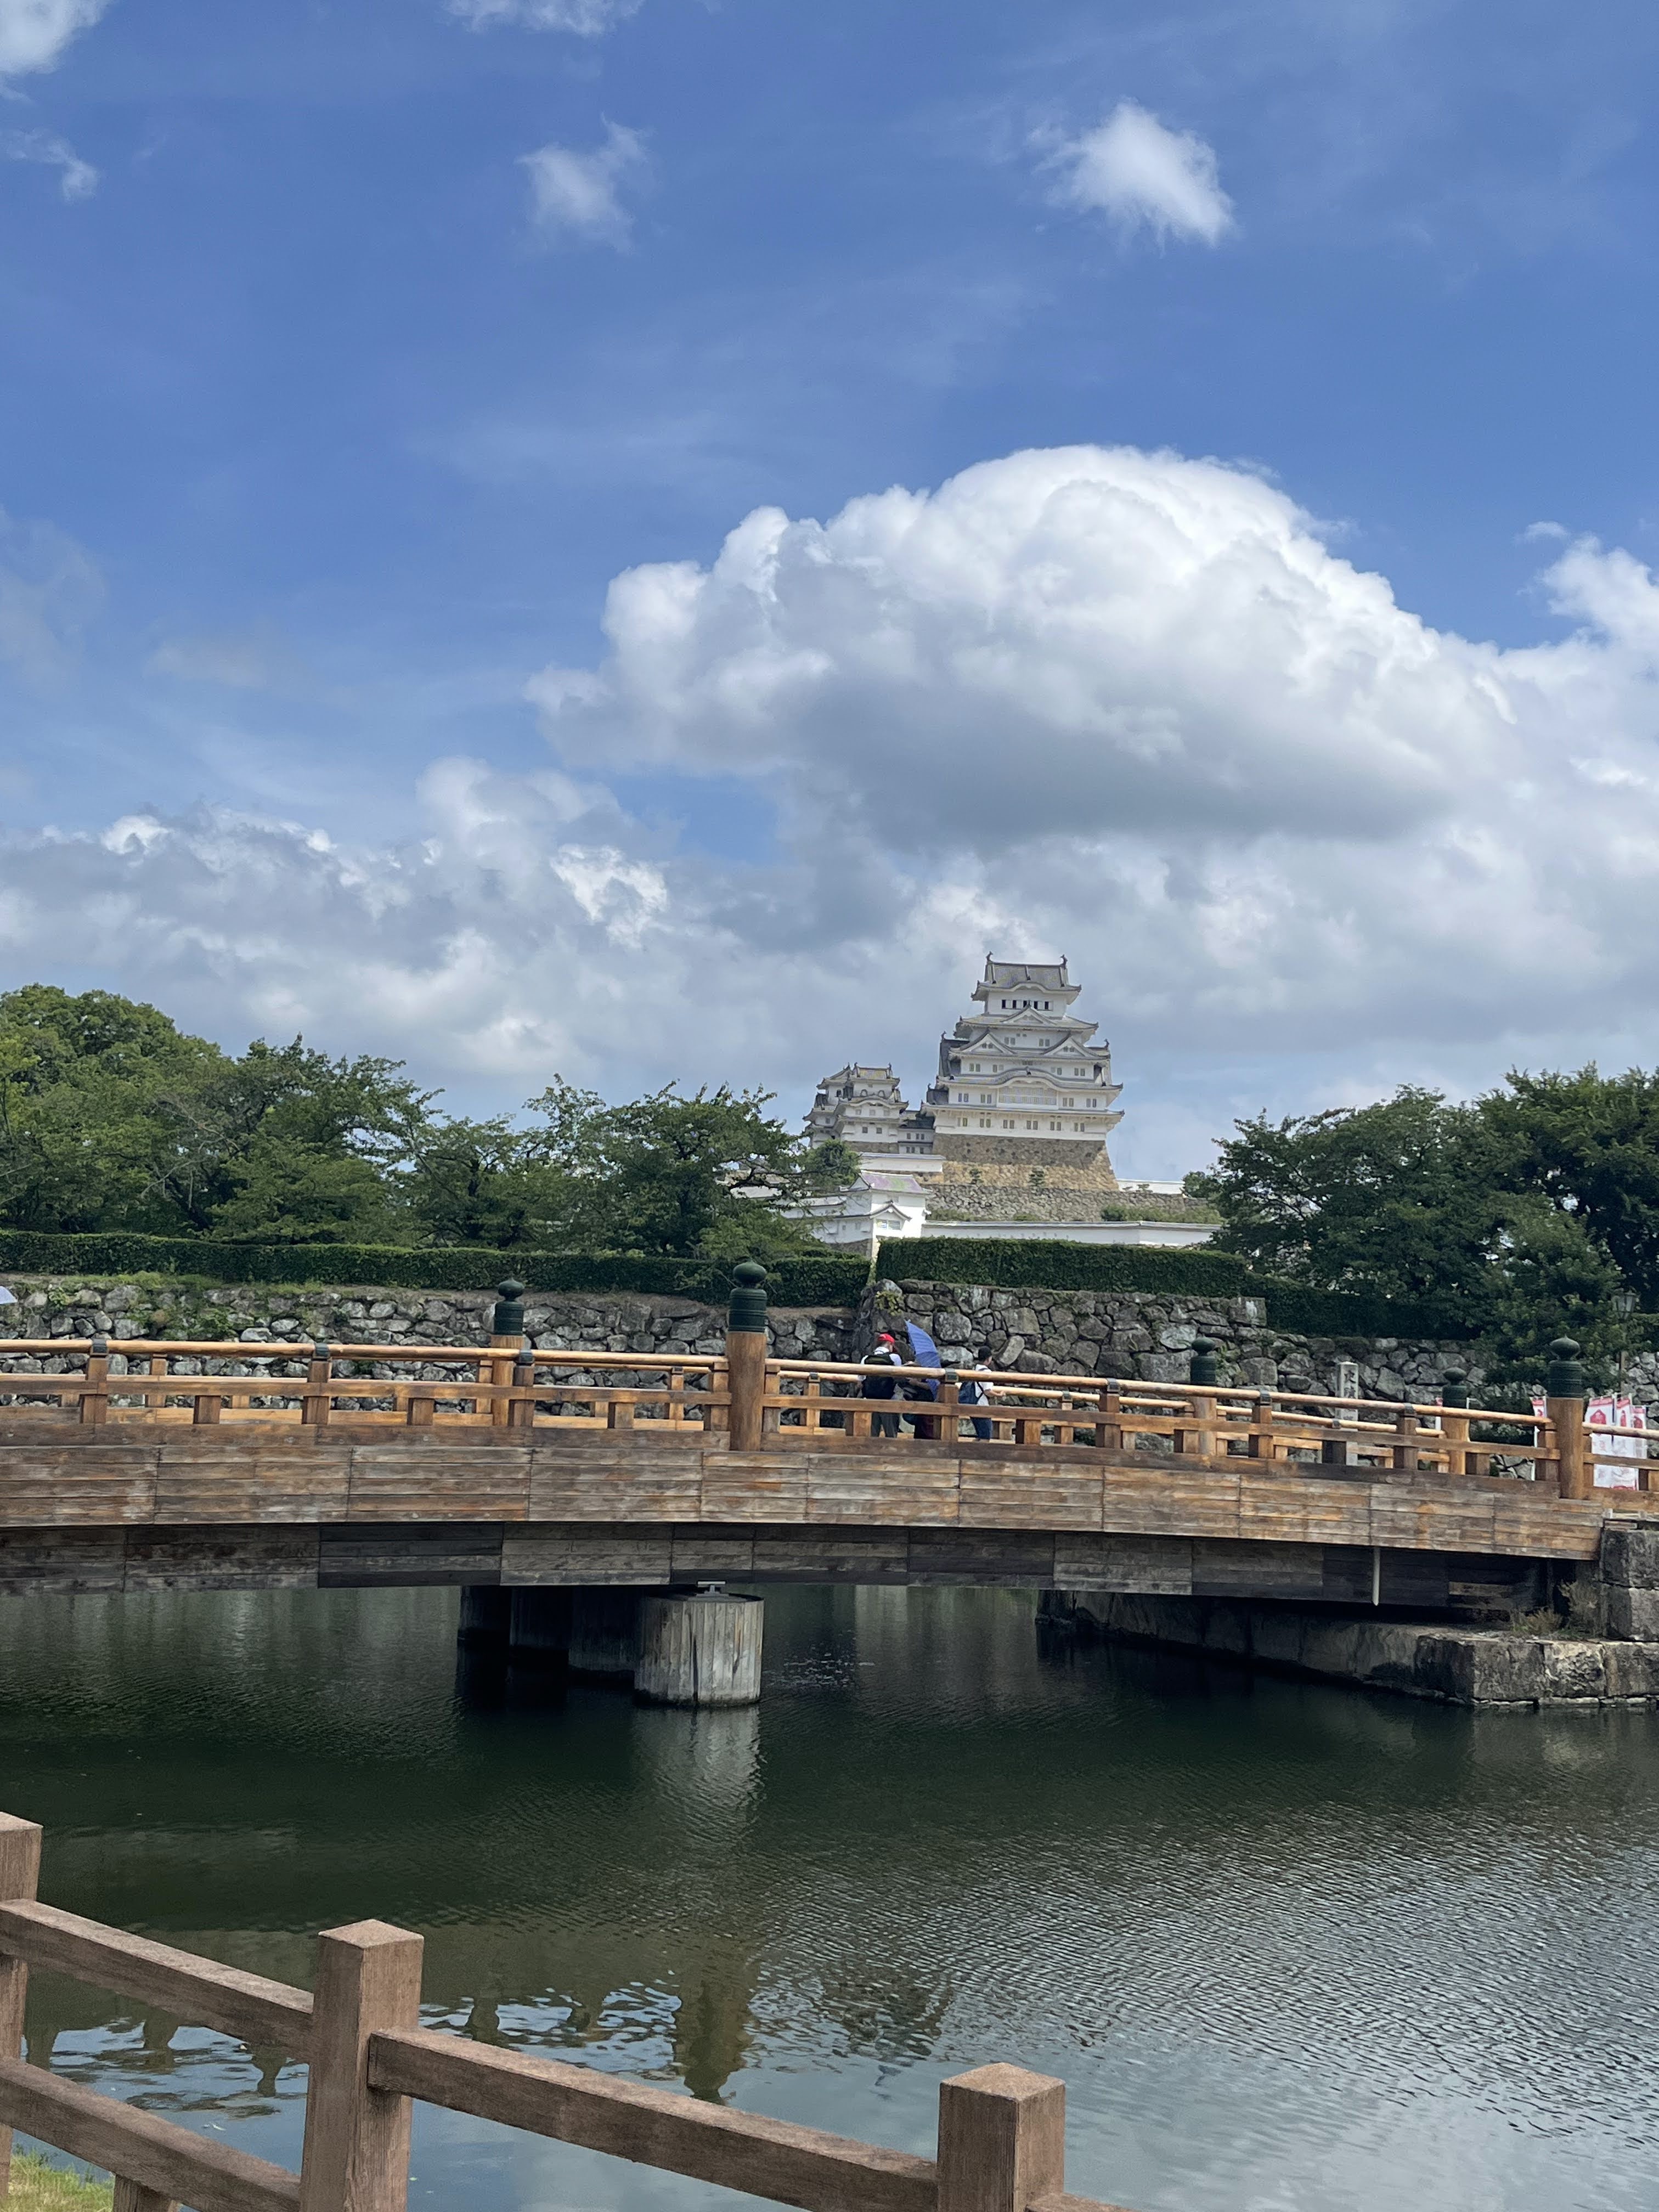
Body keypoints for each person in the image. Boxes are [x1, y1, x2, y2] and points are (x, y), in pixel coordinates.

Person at [860, 1333, 906, 1438]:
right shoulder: (894, 1357)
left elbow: (860, 1382)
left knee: (873, 1433)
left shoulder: (866, 1359)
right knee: (891, 1433)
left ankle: (872, 1452)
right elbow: (900, 1378)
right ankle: (891, 1452)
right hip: (889, 1399)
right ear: (890, 1344)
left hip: (871, 1399)